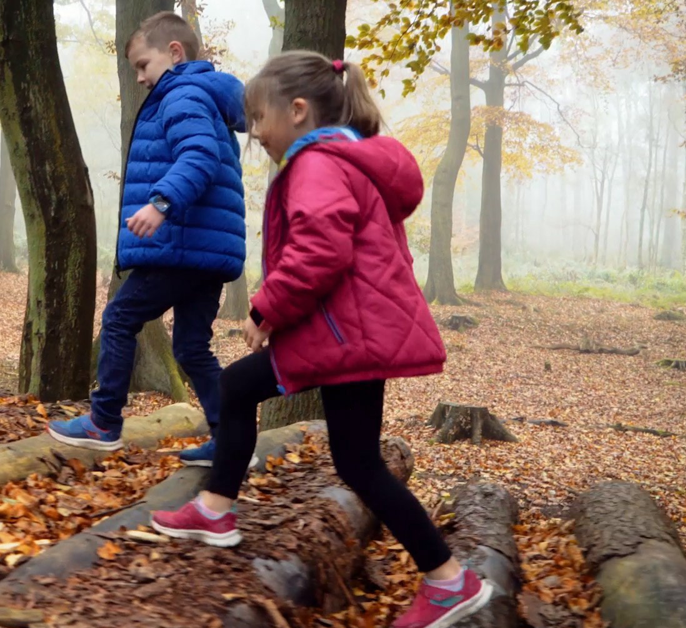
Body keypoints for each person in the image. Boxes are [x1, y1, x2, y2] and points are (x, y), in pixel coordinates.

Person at [148, 51, 493, 628]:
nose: (254, 132)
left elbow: (320, 252)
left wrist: (267, 309)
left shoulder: (319, 165)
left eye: (259, 118)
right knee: (246, 395)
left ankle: (449, 580)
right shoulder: (342, 161)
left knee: (356, 463)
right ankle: (215, 509)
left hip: (346, 339)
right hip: (342, 335)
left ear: (299, 111)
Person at [47, 12, 249, 467]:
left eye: (143, 65)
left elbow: (199, 155)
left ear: (174, 53)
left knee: (120, 318)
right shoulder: (205, 97)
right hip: (206, 250)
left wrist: (160, 203)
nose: (139, 77)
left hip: (181, 245)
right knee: (192, 347)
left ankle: (103, 421)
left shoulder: (181, 94)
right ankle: (231, 441)